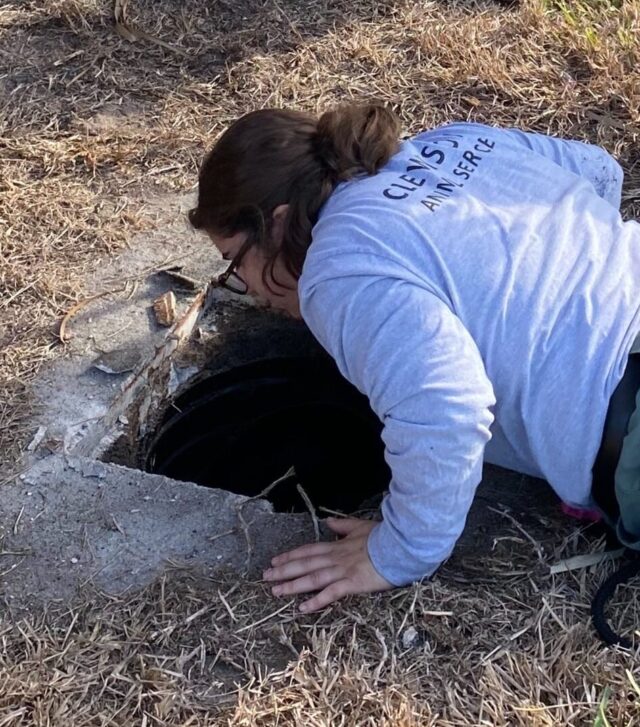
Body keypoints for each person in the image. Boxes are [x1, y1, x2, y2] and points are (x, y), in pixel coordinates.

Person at [188, 104, 640, 614]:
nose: (246, 288)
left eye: (234, 262)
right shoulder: (452, 142)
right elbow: (600, 170)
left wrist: (398, 551)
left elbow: (446, 409)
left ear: (277, 224)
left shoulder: (338, 270)